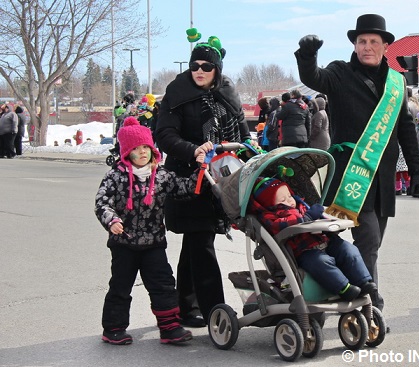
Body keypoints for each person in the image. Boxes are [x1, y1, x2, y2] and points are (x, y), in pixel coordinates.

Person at [294, 13, 419, 311]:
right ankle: (370, 304)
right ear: (355, 45)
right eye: (361, 41)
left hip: (382, 178)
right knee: (367, 239)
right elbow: (313, 77)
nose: (367, 46)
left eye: (373, 42)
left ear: (385, 46)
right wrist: (307, 55)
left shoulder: (396, 81)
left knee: (372, 243)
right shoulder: (340, 73)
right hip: (350, 175)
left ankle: (342, 287)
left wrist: (417, 170)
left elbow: (405, 127)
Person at [155, 29, 251, 327]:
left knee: (197, 242)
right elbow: (164, 135)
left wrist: (252, 152)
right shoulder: (177, 95)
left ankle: (186, 305)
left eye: (206, 66)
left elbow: (243, 134)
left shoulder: (228, 96)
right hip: (190, 179)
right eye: (194, 65)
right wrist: (193, 151)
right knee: (201, 241)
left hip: (222, 179)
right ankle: (214, 310)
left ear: (216, 70)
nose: (199, 71)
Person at [95, 116, 210, 345]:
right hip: (124, 243)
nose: (143, 153)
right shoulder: (116, 176)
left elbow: (185, 188)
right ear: (127, 152)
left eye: (146, 147)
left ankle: (170, 328)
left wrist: (201, 171)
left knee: (164, 285)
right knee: (120, 286)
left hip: (153, 244)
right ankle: (114, 328)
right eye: (136, 149)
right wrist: (112, 220)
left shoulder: (161, 175)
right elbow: (102, 203)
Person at [250, 177, 377, 301]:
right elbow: (281, 225)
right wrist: (306, 218)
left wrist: (331, 222)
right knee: (321, 262)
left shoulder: (301, 206)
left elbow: (318, 217)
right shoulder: (271, 217)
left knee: (348, 250)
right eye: (283, 199)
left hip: (325, 240)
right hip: (304, 251)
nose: (289, 201)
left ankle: (363, 281)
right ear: (270, 205)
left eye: (289, 196)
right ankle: (344, 289)